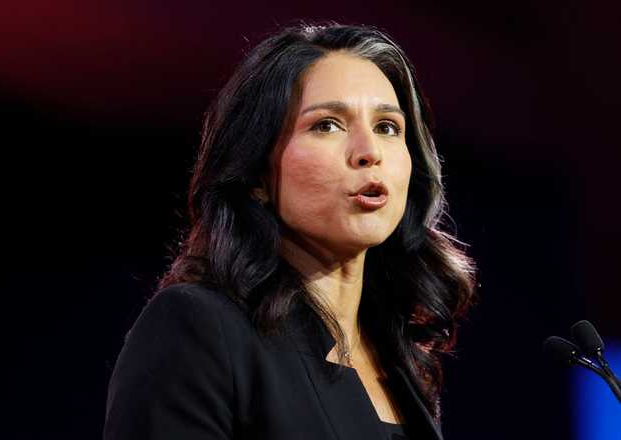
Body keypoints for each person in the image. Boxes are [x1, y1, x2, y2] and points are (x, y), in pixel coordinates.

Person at [103, 22, 477, 440]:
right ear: (257, 174)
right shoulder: (199, 327)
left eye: (388, 127)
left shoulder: (404, 361)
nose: (370, 152)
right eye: (328, 125)